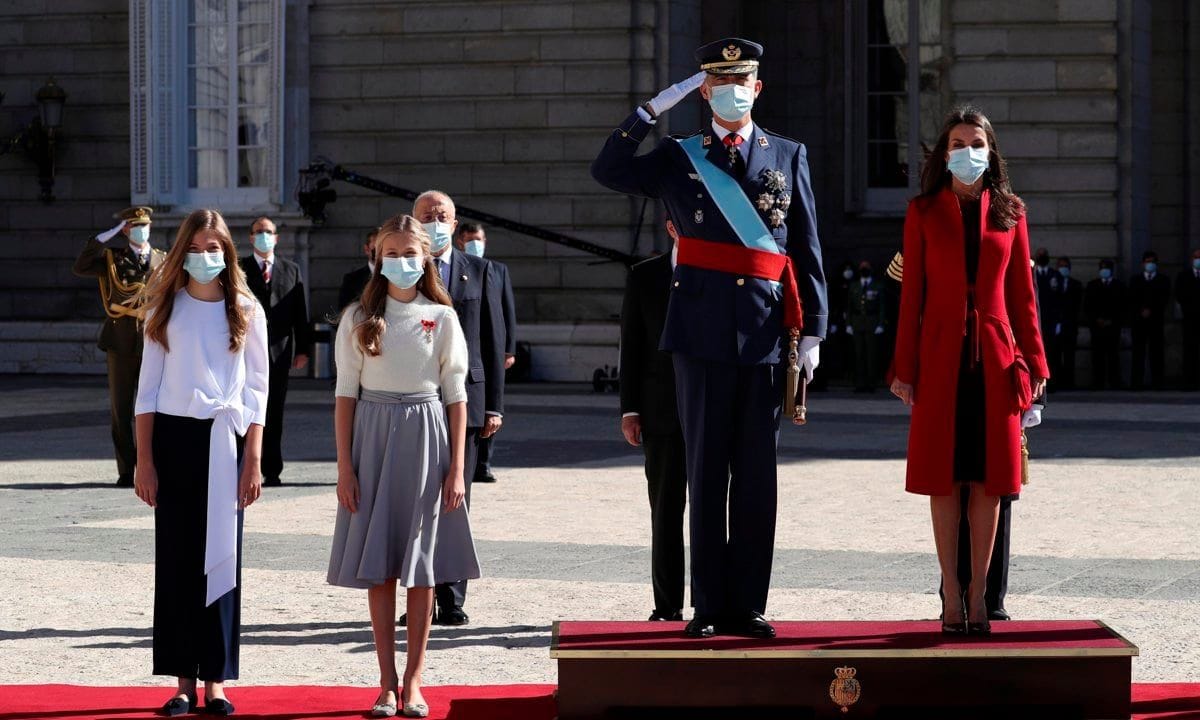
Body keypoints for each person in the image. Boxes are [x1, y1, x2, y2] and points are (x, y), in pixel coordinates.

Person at [592, 37, 827, 640]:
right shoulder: (678, 154)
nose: (730, 90)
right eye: (717, 83)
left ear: (757, 87)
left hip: (764, 332)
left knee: (755, 475)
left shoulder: (787, 153)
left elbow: (805, 246)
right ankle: (708, 605)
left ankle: (747, 604)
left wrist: (814, 330)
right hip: (697, 332)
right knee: (705, 468)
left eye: (740, 81)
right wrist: (649, 111)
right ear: (703, 91)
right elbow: (608, 171)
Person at [891, 106, 1047, 636]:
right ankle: (950, 595)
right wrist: (902, 367)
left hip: (998, 359)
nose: (967, 151)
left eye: (976, 142)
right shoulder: (922, 211)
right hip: (939, 358)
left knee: (989, 480)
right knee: (944, 477)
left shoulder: (1011, 212)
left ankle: (981, 596)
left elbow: (1023, 296)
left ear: (990, 149)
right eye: (958, 142)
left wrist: (1037, 361)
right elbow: (911, 297)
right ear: (944, 152)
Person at [327, 214, 479, 719]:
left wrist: (457, 468)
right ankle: (385, 682)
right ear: (376, 258)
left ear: (426, 258)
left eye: (410, 254)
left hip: (425, 433)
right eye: (391, 254)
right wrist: (345, 467)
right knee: (380, 565)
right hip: (371, 435)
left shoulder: (443, 317)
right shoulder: (356, 317)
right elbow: (345, 393)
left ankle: (415, 681)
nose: (401, 263)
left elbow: (456, 394)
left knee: (421, 566)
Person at [132, 209, 269, 717]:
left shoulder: (246, 309)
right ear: (182, 251)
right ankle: (182, 681)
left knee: (222, 558)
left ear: (227, 253)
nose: (207, 257)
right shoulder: (164, 309)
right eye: (198, 247)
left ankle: (217, 680)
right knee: (176, 560)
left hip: (225, 441)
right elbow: (146, 392)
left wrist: (253, 459)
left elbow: (258, 390)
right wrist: (144, 462)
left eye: (216, 248)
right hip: (174, 440)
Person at [414, 191, 505, 626]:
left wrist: (495, 407)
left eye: (442, 216)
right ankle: (418, 594)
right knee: (414, 500)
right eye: (427, 216)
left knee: (455, 495)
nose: (435, 222)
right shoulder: (401, 269)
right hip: (412, 401)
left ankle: (451, 597)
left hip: (465, 399)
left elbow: (492, 340)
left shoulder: (479, 270)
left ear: (455, 223)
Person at [620, 218, 689, 622]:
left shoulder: (718, 273)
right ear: (670, 228)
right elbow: (632, 345)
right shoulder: (645, 276)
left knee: (712, 512)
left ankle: (712, 601)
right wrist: (631, 409)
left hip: (710, 413)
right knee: (665, 511)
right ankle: (667, 605)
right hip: (661, 413)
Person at [72, 206, 166, 486]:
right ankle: (127, 470)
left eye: (145, 225)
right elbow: (81, 267)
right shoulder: (112, 259)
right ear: (125, 230)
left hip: (153, 340)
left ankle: (154, 465)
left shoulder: (162, 259)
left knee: (155, 407)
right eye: (134, 226)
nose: (141, 230)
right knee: (121, 408)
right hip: (121, 340)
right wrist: (105, 237)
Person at [237, 218, 310, 486]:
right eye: (259, 232)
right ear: (251, 237)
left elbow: (300, 313)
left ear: (276, 238)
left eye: (268, 232)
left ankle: (272, 468)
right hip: (245, 350)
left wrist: (303, 349)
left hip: (279, 352)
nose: (264, 236)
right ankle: (244, 461)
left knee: (273, 410)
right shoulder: (240, 268)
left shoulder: (291, 269)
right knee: (245, 406)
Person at [454, 221, 518, 484]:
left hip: (486, 349)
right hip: (465, 348)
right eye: (469, 239)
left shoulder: (495, 269)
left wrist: (507, 348)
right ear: (461, 240)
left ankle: (484, 462)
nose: (474, 243)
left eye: (478, 239)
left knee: (485, 410)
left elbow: (505, 312)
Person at [1128, 250, 1171, 390]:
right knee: (1138, 353)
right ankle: (1136, 382)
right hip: (1139, 321)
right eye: (1147, 261)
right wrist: (1141, 310)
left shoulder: (1163, 280)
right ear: (1143, 263)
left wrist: (1151, 310)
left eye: (1152, 262)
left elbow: (1164, 299)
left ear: (1156, 264)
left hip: (1155, 321)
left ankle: (1158, 382)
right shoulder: (1135, 280)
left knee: (1157, 353)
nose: (1150, 264)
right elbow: (1132, 299)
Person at [1084, 259, 1126, 390]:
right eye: (1102, 268)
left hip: (1113, 326)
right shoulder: (1092, 285)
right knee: (1097, 355)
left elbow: (1122, 306)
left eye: (1107, 268)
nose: (1104, 270)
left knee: (1113, 355)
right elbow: (1087, 306)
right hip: (1097, 326)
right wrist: (1096, 319)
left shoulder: (1119, 286)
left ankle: (1115, 382)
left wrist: (1112, 320)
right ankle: (1098, 382)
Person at [847, 260, 888, 392]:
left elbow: (882, 306)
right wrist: (848, 323)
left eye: (866, 268)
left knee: (871, 355)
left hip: (872, 322)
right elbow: (849, 306)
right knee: (858, 355)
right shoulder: (854, 286)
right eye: (862, 268)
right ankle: (859, 384)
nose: (864, 270)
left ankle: (871, 384)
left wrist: (881, 323)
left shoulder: (877, 286)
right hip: (857, 322)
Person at [1048, 256, 1083, 391]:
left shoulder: (1076, 284)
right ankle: (1056, 382)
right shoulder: (1052, 283)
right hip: (1055, 325)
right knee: (1054, 356)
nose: (1063, 269)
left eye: (1065, 266)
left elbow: (1076, 306)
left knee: (1069, 356)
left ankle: (1069, 383)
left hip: (1069, 325)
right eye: (1060, 266)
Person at [1176, 249, 1200, 390]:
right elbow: (1179, 294)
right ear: (1192, 259)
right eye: (1196, 257)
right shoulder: (1183, 276)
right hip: (1190, 318)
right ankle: (1189, 380)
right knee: (1189, 349)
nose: (1198, 260)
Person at [338, 229, 378, 312]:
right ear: (367, 249)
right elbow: (343, 312)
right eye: (376, 249)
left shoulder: (394, 277)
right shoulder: (351, 280)